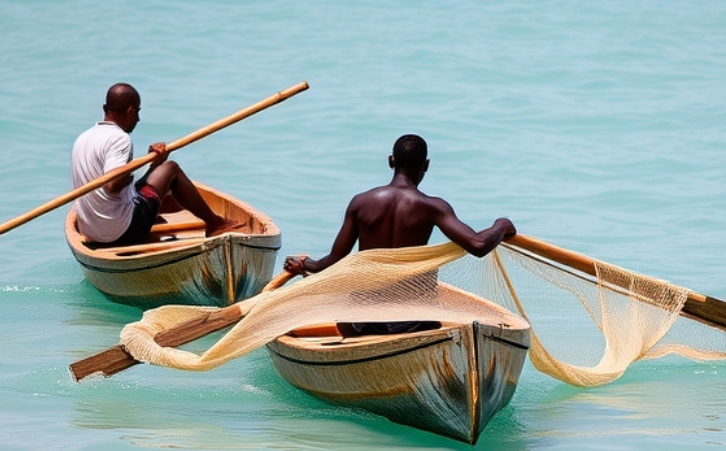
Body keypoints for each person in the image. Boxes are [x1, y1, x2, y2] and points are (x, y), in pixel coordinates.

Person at [284, 134, 516, 336]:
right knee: (431, 318)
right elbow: (478, 244)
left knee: (352, 310)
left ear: (391, 161)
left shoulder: (361, 203)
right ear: (426, 165)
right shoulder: (432, 207)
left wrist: (305, 264)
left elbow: (334, 259)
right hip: (411, 322)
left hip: (359, 321)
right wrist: (502, 224)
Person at [70, 83, 242, 247]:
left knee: (159, 185)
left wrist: (153, 164)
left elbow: (112, 183)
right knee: (171, 169)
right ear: (130, 111)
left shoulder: (83, 139)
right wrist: (144, 168)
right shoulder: (119, 138)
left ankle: (153, 211)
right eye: (137, 112)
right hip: (122, 232)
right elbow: (112, 184)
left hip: (92, 232)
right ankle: (214, 223)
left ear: (105, 109)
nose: (138, 118)